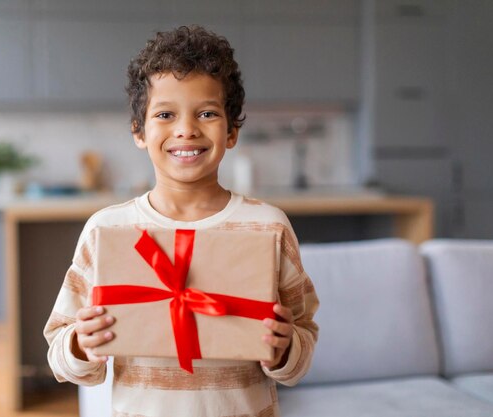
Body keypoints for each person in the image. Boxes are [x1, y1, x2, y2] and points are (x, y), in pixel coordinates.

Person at [44, 25, 319, 417]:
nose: (186, 129)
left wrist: (286, 347)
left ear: (232, 131)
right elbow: (59, 350)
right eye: (165, 114)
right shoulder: (107, 230)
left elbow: (304, 338)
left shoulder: (268, 226)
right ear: (139, 131)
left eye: (207, 113)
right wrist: (79, 344)